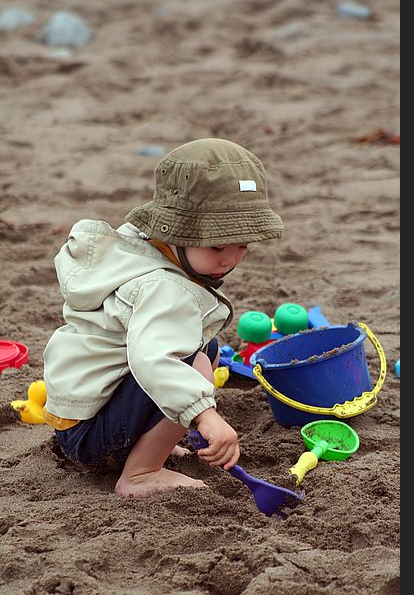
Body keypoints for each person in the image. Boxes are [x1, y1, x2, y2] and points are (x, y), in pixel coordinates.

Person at [42, 138, 284, 498]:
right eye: (217, 245)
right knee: (190, 363)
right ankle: (140, 473)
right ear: (178, 232)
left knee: (207, 346)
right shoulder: (167, 289)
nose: (230, 260)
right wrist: (205, 415)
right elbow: (154, 361)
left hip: (81, 415)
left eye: (243, 246)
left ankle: (152, 443)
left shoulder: (138, 246)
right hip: (91, 437)